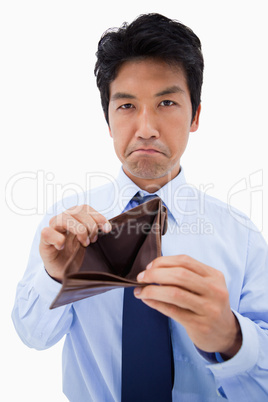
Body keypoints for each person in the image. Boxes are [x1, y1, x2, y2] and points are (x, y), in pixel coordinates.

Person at [12, 13, 268, 401]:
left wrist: (231, 336)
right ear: (108, 120)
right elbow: (32, 337)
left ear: (195, 115)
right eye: (127, 106)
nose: (146, 127)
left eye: (166, 102)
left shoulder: (242, 236)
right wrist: (55, 276)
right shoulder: (65, 225)